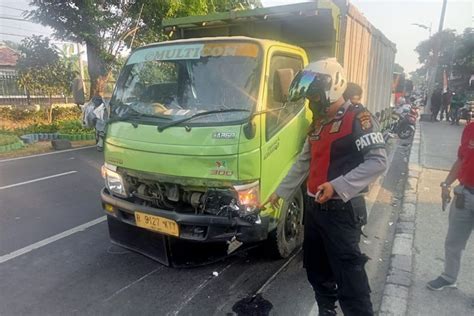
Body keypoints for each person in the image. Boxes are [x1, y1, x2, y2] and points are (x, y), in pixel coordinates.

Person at [262, 58, 387, 316]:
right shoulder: (318, 123)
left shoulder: (358, 117)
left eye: (314, 98)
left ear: (332, 90)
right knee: (317, 268)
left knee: (349, 276)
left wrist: (337, 185)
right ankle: (326, 310)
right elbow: (304, 162)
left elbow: (377, 162)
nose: (310, 103)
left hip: (342, 210)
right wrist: (280, 192)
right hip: (315, 210)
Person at [427, 121, 474, 290]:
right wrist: (446, 184)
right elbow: (462, 160)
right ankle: (449, 277)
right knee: (454, 241)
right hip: (465, 193)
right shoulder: (470, 128)